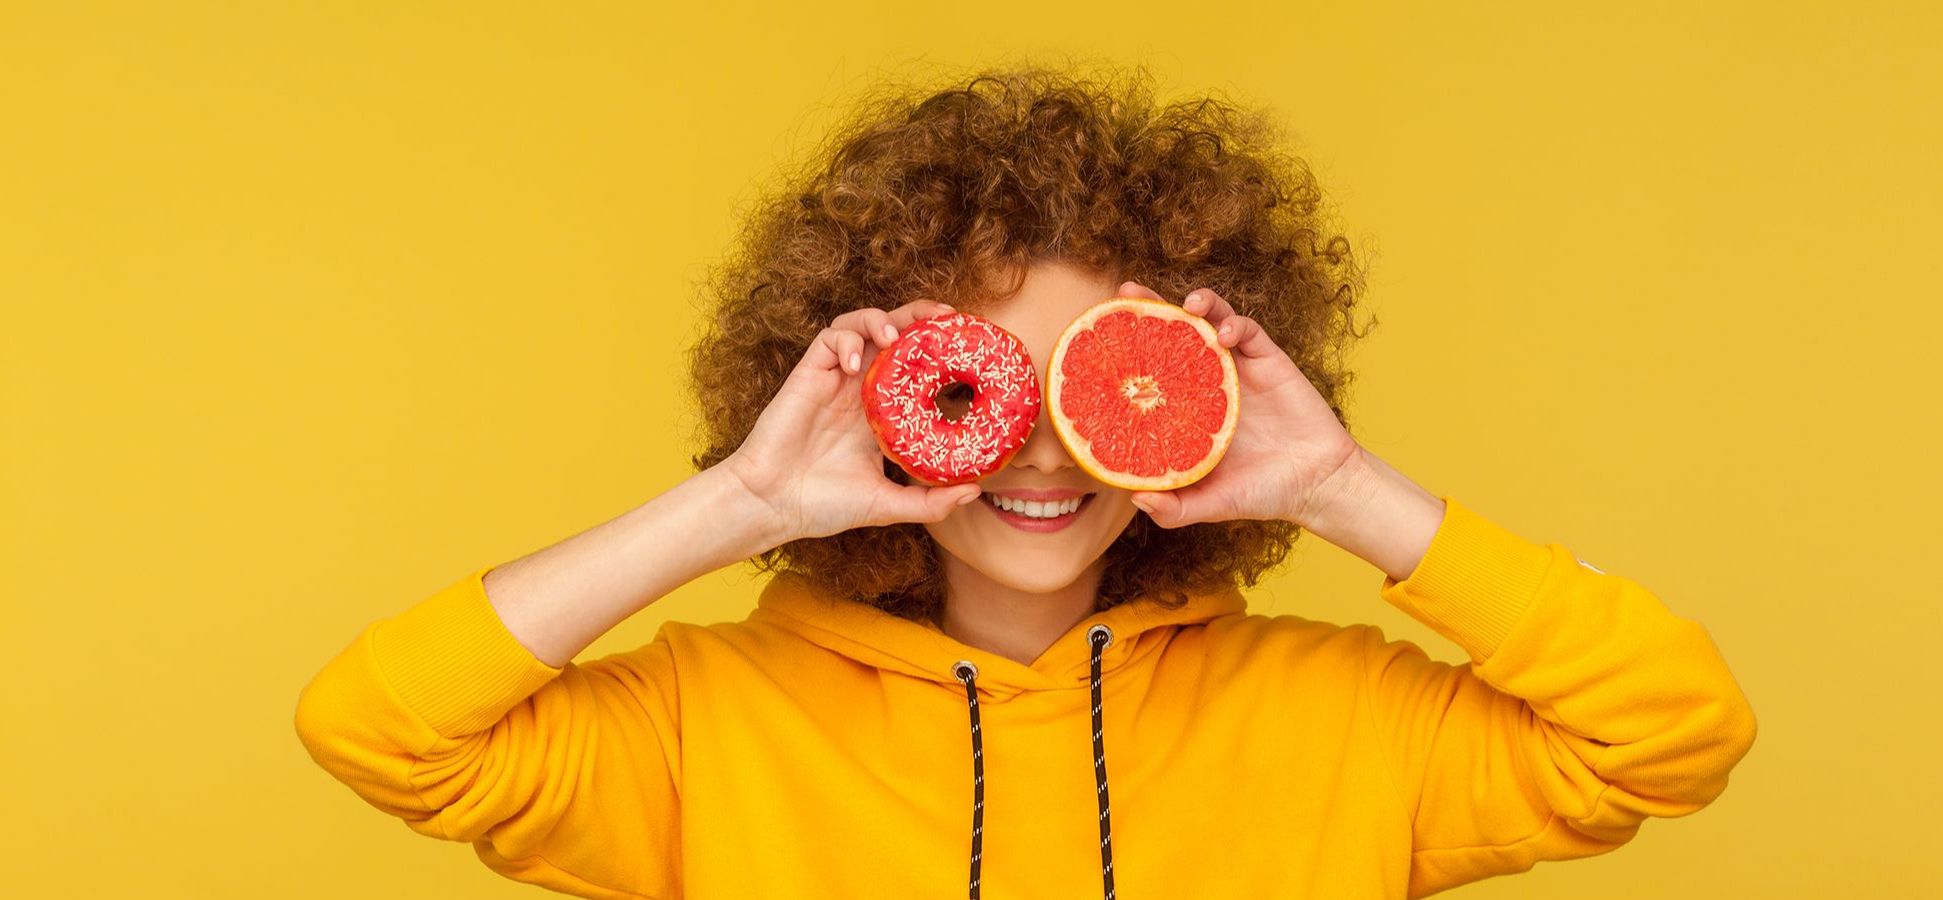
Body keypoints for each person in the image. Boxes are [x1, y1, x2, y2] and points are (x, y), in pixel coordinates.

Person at [294, 67, 1757, 899]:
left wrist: (1338, 486)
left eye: (1100, 390)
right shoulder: (700, 730)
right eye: (980, 390)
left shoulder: (1348, 720)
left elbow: (1676, 732)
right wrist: (740, 502)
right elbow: (377, 727)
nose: (1046, 449)